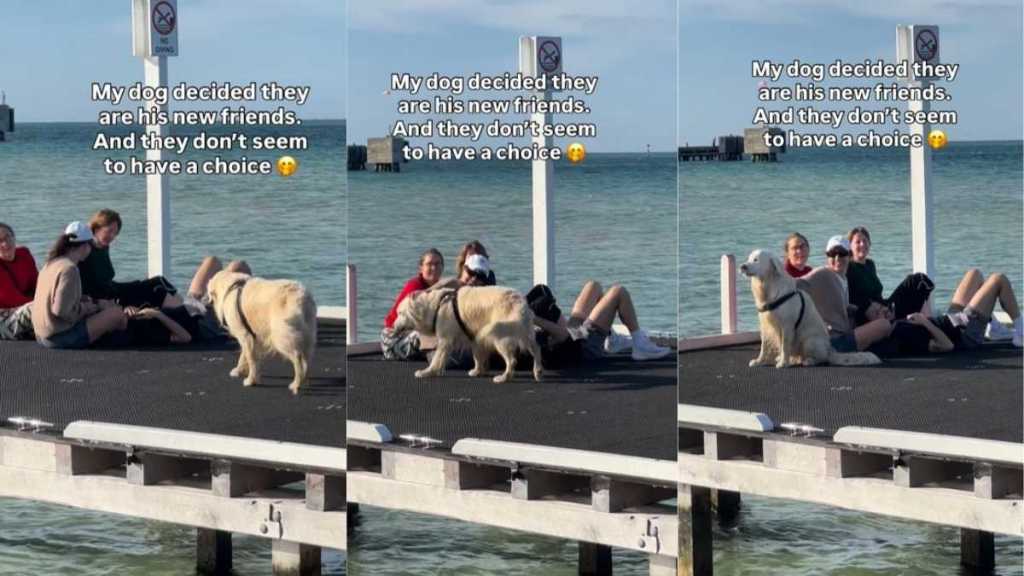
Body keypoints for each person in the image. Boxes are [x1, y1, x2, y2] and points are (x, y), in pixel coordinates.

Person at [869, 268, 1024, 354]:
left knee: (974, 274)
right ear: (875, 325)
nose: (884, 309)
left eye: (881, 307)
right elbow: (946, 346)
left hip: (951, 319)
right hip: (965, 334)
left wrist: (926, 321)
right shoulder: (901, 333)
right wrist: (925, 322)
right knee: (998, 279)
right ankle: (1021, 332)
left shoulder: (897, 323)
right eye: (878, 313)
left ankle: (993, 327)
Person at [32, 222, 127, 348]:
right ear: (84, 246)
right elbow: (60, 311)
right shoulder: (69, 269)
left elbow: (60, 300)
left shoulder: (51, 264)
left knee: (106, 310)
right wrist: (90, 308)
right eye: (90, 245)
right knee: (117, 313)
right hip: (58, 338)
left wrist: (94, 302)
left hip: (41, 335)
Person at [533, 280, 671, 364]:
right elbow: (561, 337)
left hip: (572, 336)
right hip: (580, 348)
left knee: (593, 286)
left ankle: (612, 339)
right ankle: (640, 346)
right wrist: (534, 319)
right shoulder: (530, 330)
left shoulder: (526, 323)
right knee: (618, 292)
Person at [796, 235, 892, 352]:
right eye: (832, 254)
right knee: (884, 325)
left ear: (849, 255)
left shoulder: (843, 279)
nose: (837, 258)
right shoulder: (822, 273)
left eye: (841, 253)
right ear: (827, 256)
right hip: (833, 341)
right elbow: (795, 284)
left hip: (844, 334)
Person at [78, 208, 183, 309]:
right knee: (156, 289)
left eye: (115, 233)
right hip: (106, 297)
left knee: (159, 282)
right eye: (109, 231)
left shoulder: (103, 246)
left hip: (112, 289)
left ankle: (183, 309)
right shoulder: (85, 249)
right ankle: (183, 311)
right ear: (97, 229)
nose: (112, 236)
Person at [846, 226, 934, 324]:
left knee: (919, 281)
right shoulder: (849, 267)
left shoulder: (870, 264)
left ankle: (928, 322)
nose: (862, 244)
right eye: (858, 242)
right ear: (850, 246)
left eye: (865, 241)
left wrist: (885, 307)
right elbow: (853, 297)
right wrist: (880, 309)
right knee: (918, 281)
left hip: (884, 306)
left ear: (869, 244)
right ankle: (928, 324)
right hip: (871, 314)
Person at [381, 248, 444, 360]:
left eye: (437, 264)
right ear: (421, 268)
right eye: (429, 264)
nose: (434, 268)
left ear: (442, 267)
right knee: (429, 335)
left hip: (412, 337)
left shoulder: (441, 288)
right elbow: (418, 322)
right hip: (393, 340)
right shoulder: (415, 287)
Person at [0, 223, 38, 340]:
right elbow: (14, 299)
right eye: (0, 241)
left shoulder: (24, 254)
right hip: (4, 317)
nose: (5, 244)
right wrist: (45, 304)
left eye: (7, 237)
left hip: (25, 308)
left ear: (14, 237)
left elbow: (38, 285)